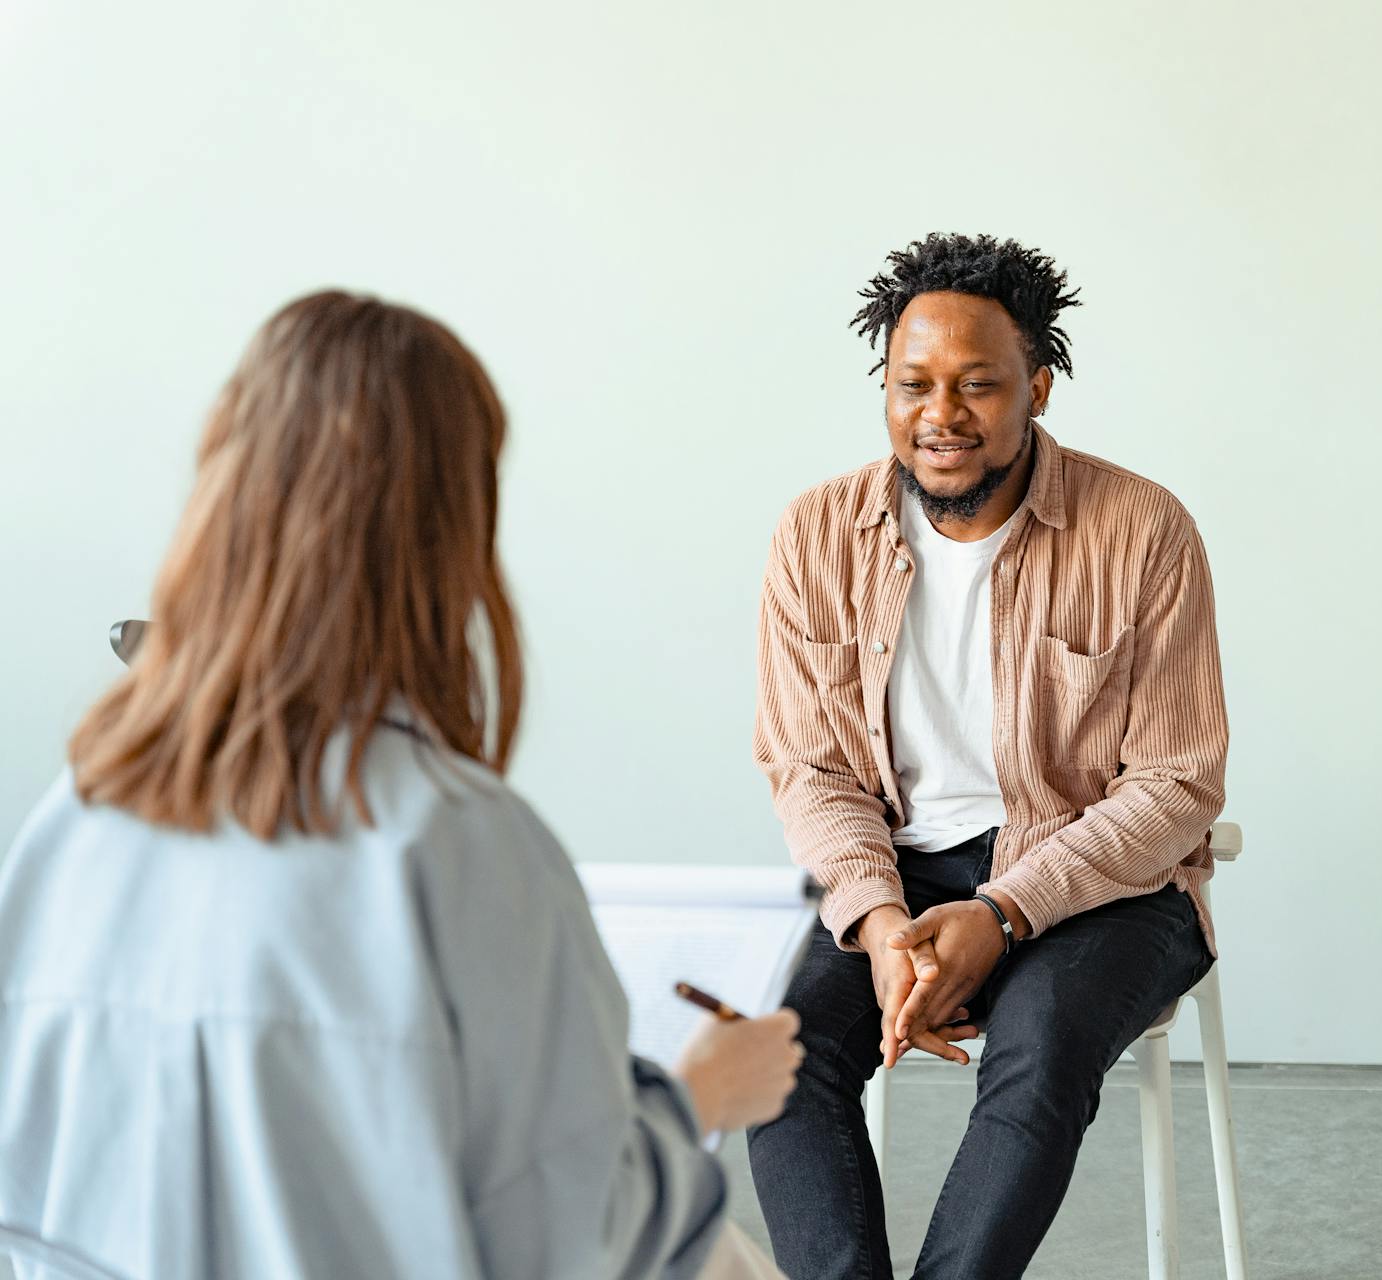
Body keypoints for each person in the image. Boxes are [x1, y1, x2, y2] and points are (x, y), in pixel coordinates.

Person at [0, 291, 801, 1279]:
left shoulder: (76, 820)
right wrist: (691, 1107)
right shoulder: (460, 845)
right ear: (452, 532)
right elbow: (570, 1246)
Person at [747, 234, 1229, 1277]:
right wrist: (879, 924)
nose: (942, 414)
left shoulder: (1143, 530)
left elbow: (1179, 780)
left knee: (1040, 1043)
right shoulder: (816, 535)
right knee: (778, 1050)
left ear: (1038, 387)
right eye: (913, 383)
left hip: (1098, 881)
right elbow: (811, 767)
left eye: (978, 384)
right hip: (896, 871)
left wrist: (1004, 911)